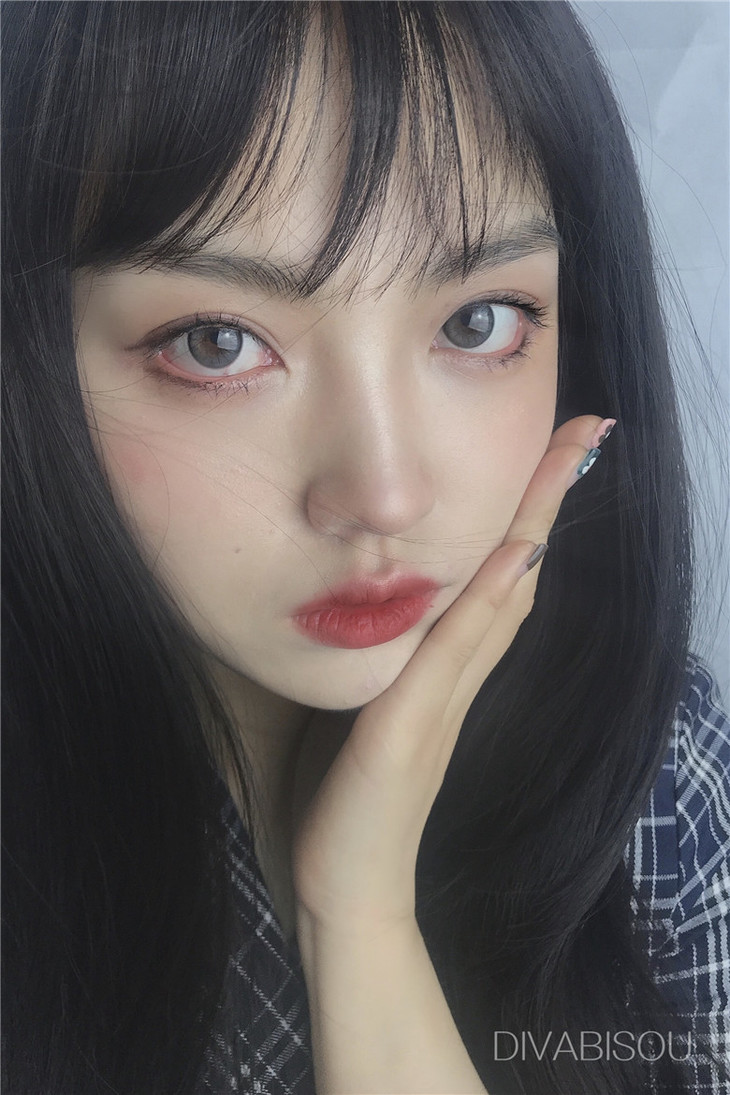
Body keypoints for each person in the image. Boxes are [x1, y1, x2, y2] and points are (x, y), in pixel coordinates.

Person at [2, 2, 728, 1093]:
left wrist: (362, 919)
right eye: (216, 343)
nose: (384, 495)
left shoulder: (656, 776)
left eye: (479, 322)